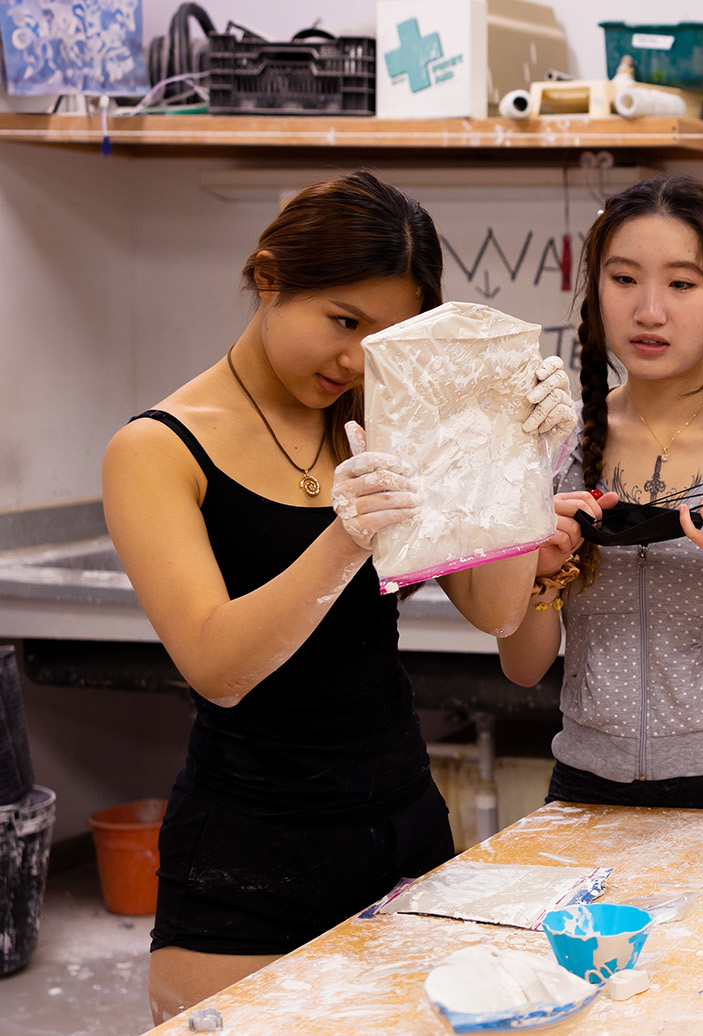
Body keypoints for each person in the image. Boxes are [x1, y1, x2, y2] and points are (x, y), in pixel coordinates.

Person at [101, 171, 574, 1023]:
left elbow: (494, 609)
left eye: (386, 338)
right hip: (248, 856)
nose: (357, 361)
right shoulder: (157, 449)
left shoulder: (382, 418)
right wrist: (343, 537)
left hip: (404, 832)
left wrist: (521, 456)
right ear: (270, 276)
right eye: (345, 323)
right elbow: (218, 666)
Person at [497, 175, 703, 812]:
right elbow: (523, 668)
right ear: (596, 293)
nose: (650, 311)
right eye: (624, 280)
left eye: (682, 283)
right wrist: (540, 573)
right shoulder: (552, 446)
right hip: (583, 787)